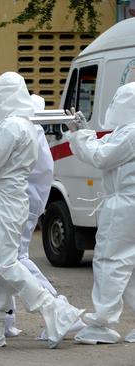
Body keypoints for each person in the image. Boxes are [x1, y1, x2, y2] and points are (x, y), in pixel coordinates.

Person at [0, 72, 83, 349]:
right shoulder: (16, 125)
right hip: (2, 198)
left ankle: (55, 310)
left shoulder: (14, 127)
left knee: (5, 263)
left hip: (4, 200)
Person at [4, 94, 85, 338]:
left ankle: (60, 310)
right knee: (4, 262)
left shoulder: (27, 133)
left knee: (14, 260)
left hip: (18, 205)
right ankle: (4, 318)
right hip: (25, 204)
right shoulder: (33, 132)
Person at [66, 82, 135, 344]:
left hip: (124, 206)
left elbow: (101, 157)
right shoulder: (125, 131)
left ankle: (102, 323)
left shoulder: (131, 132)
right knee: (128, 266)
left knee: (109, 261)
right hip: (126, 203)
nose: (114, 106)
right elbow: (98, 146)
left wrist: (81, 135)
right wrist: (81, 133)